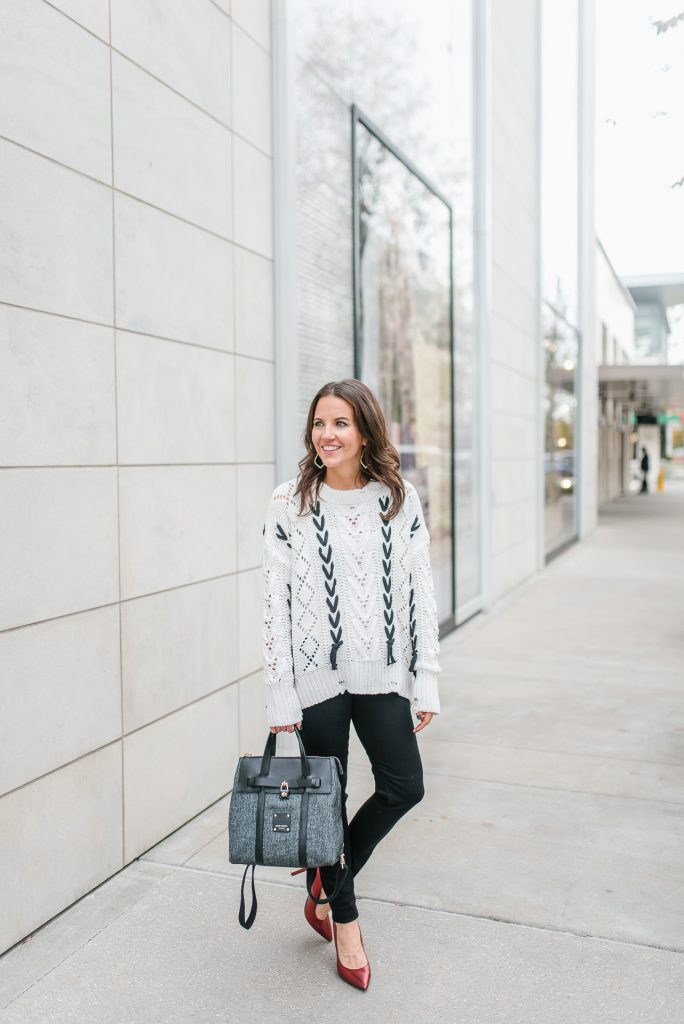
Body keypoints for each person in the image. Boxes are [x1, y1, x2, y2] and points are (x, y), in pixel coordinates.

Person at [261, 378, 441, 991]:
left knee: (404, 786)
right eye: (318, 423)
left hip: (384, 671)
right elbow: (274, 604)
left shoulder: (398, 499)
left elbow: (420, 593)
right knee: (325, 802)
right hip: (316, 680)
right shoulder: (289, 503)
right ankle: (346, 918)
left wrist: (427, 679)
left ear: (365, 430)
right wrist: (280, 691)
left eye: (340, 423)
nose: (327, 435)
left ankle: (325, 876)